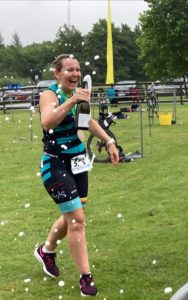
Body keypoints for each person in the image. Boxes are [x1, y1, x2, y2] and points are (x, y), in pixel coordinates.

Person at [34, 54, 119, 297]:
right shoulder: (49, 95)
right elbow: (48, 121)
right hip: (55, 164)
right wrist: (71, 101)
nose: (75, 74)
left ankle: (46, 250)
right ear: (56, 73)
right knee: (77, 220)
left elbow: (87, 121)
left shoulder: (80, 94)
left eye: (78, 69)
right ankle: (86, 278)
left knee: (72, 214)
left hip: (78, 162)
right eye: (69, 69)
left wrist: (109, 141)